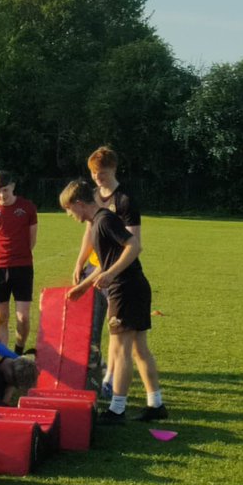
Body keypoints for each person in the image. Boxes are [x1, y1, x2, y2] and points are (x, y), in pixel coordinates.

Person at [61, 179, 166, 422]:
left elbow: (134, 245)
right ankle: (156, 404)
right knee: (140, 350)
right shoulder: (98, 222)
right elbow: (106, 264)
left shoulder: (104, 221)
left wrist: (111, 274)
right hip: (135, 286)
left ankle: (117, 409)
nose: (69, 214)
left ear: (79, 203)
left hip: (125, 289)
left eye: (68, 209)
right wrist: (83, 287)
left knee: (120, 351)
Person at [72, 146, 141, 398]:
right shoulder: (92, 195)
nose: (97, 178)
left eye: (101, 173)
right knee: (92, 326)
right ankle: (92, 375)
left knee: (115, 329)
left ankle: (110, 378)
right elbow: (89, 232)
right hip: (93, 266)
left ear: (113, 169)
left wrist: (110, 271)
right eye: (93, 173)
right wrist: (80, 262)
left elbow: (133, 243)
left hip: (112, 269)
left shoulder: (124, 200)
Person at [0, 170, 38, 354]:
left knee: (23, 317)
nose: (2, 195)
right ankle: (3, 355)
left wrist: (19, 256)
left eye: (5, 190)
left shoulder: (27, 207)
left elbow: (32, 240)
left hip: (23, 268)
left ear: (13, 186)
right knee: (1, 317)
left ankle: (18, 352)